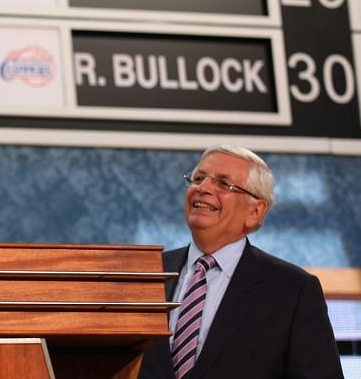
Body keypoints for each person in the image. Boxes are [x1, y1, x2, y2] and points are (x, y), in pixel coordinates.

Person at [139, 144, 343, 379]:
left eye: (223, 183)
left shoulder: (293, 290)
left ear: (255, 211)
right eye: (198, 178)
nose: (203, 188)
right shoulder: (146, 273)